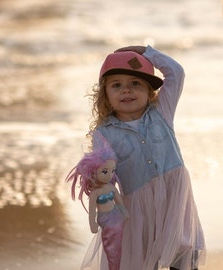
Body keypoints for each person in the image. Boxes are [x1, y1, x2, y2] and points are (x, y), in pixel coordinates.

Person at [85, 45, 206, 270]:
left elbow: (176, 72)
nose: (126, 90)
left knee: (183, 253)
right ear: (105, 95)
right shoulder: (105, 132)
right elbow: (103, 173)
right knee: (141, 258)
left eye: (136, 84)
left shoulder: (162, 111)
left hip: (174, 199)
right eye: (116, 85)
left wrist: (147, 52)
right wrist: (99, 187)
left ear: (150, 91)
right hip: (137, 207)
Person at [66, 133, 129, 270]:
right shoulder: (95, 193)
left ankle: (117, 264)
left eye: (113, 171)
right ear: (93, 172)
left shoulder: (111, 188)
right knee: (109, 244)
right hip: (104, 219)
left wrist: (123, 211)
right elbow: (92, 212)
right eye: (105, 171)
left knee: (119, 242)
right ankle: (113, 265)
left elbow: (119, 201)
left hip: (116, 217)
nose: (110, 174)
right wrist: (92, 224)